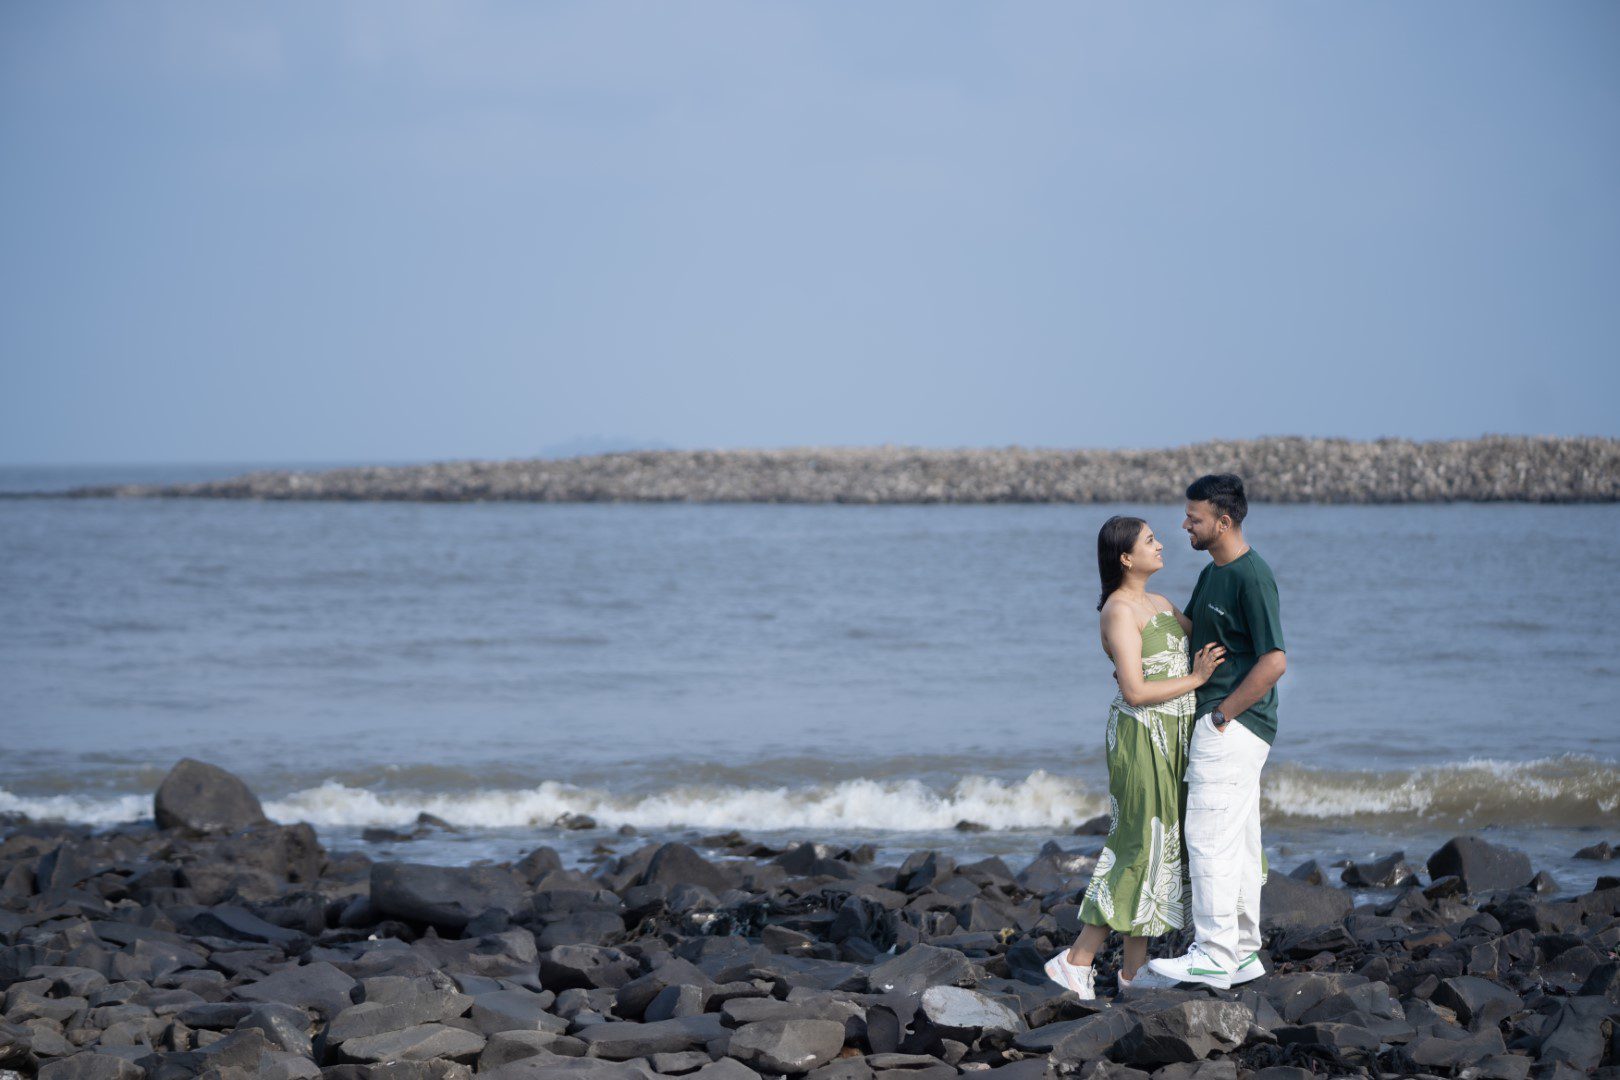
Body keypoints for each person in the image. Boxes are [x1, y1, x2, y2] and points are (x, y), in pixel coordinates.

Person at [1045, 515, 1226, 1000]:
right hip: (1142, 736)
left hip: (1176, 736)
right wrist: (1197, 680)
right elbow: (1135, 690)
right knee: (1139, 845)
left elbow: (1211, 635)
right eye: (1150, 540)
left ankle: (1130, 974)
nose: (1161, 544)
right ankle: (1077, 959)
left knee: (1160, 848)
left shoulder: (1161, 603)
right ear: (1126, 557)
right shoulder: (1119, 611)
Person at [1147, 473, 1287, 990]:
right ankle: (1245, 952)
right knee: (1241, 843)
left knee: (1206, 838)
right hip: (1229, 725)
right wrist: (1156, 610)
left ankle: (1211, 952)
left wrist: (1222, 714)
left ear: (1222, 522)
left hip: (1232, 726)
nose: (1184, 524)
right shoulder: (1213, 574)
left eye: (1194, 517)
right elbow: (1199, 634)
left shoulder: (1253, 576)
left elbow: (1274, 662)